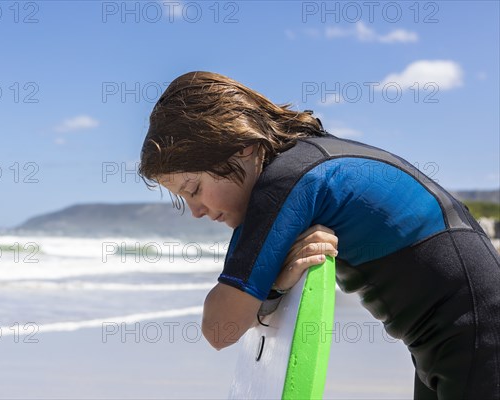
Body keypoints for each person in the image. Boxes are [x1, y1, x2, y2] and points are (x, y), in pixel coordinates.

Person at [138, 71, 500, 399]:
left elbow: (220, 329)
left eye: (194, 187)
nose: (196, 210)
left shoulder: (283, 182)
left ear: (242, 147)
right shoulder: (307, 157)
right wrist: (275, 282)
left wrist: (274, 286)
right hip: (457, 332)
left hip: (475, 332)